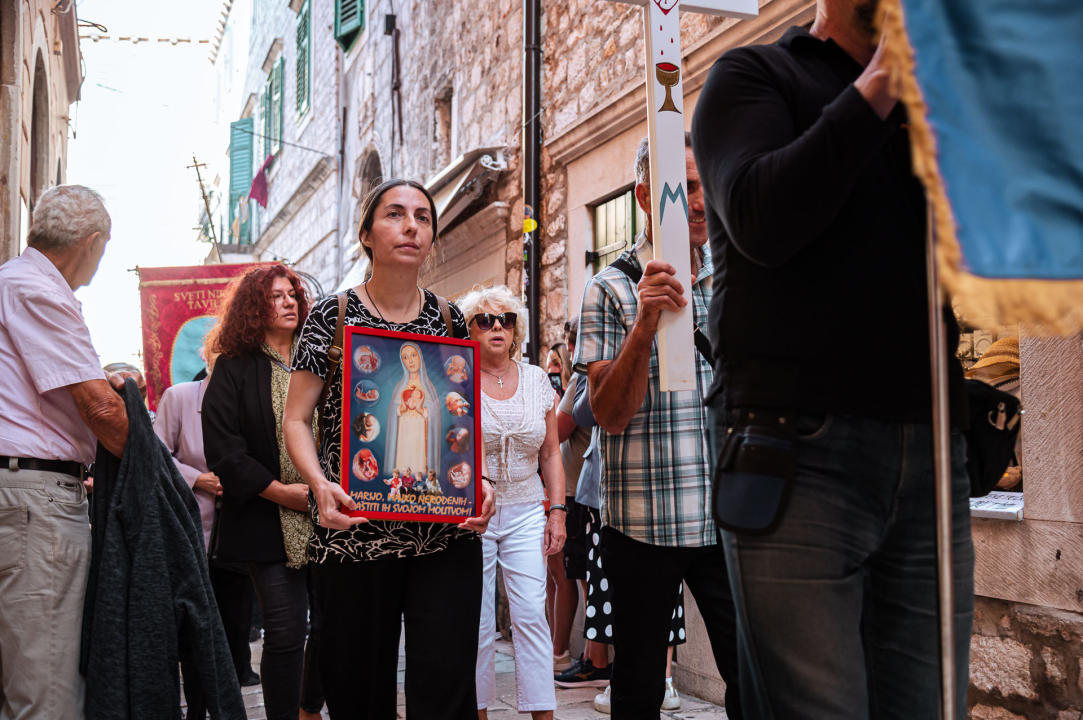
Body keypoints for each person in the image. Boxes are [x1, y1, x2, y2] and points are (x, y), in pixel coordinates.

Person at [691, 1, 973, 717]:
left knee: (929, 704)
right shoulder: (753, 75)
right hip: (798, 452)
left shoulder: (936, 110)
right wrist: (880, 84)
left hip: (929, 449)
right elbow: (761, 218)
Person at [282, 179, 495, 720]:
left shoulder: (449, 320)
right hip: (353, 534)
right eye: (395, 214)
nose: (411, 227)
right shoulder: (330, 319)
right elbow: (296, 419)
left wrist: (482, 483)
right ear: (367, 235)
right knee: (359, 691)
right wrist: (318, 484)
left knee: (446, 690)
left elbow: (462, 419)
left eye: (423, 217)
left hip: (442, 537)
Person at [573, 133, 743, 719]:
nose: (701, 201)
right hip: (644, 521)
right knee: (640, 687)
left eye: (707, 185)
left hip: (729, 517)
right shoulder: (610, 287)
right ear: (647, 196)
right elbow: (609, 414)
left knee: (755, 674)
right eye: (687, 186)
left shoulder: (736, 277)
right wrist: (644, 325)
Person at [0, 184, 128, 719]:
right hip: (37, 501)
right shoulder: (39, 290)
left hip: (21, 495)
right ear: (93, 243)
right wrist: (149, 462)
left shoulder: (11, 281)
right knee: (45, 692)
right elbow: (100, 410)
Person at [201, 264, 324, 720]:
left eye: (292, 294)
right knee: (286, 630)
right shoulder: (233, 367)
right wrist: (282, 494)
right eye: (276, 296)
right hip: (263, 517)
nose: (289, 301)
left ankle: (311, 707)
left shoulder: (319, 359)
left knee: (331, 627)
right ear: (255, 307)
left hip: (328, 515)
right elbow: (225, 452)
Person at [459, 284, 566, 720]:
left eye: (506, 319)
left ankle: (543, 713)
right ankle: (479, 712)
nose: (497, 327)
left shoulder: (538, 379)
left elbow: (551, 453)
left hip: (525, 507)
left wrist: (556, 510)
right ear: (470, 330)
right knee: (479, 623)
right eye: (485, 320)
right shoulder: (457, 378)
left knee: (529, 617)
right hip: (474, 515)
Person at [154, 350, 261, 719]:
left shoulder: (252, 404)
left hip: (239, 536)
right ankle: (195, 711)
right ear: (209, 357)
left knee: (235, 632)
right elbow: (157, 454)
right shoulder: (180, 397)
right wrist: (196, 478)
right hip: (191, 535)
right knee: (192, 636)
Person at [550, 319, 592, 673]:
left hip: (577, 492)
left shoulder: (582, 379)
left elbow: (558, 432)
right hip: (584, 491)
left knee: (576, 577)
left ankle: (589, 658)